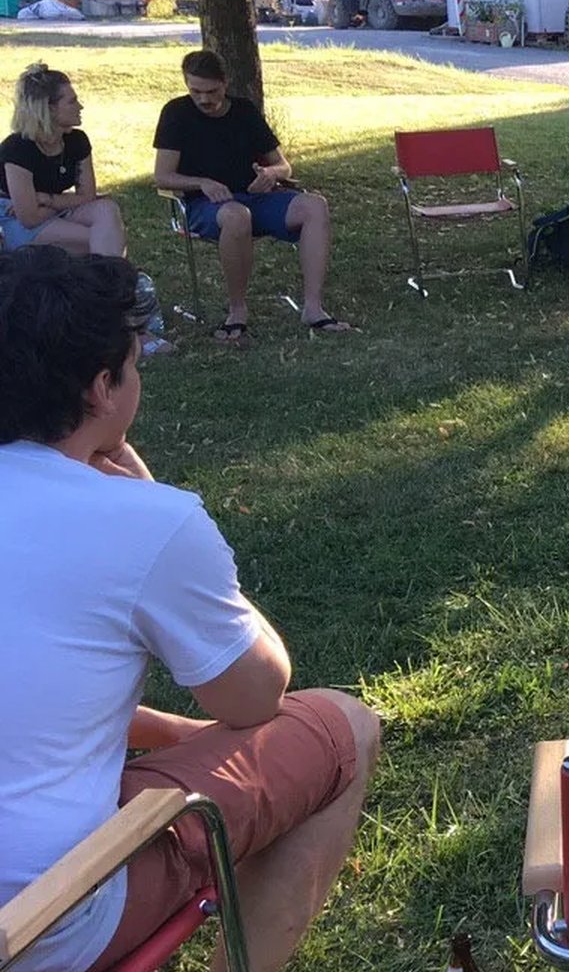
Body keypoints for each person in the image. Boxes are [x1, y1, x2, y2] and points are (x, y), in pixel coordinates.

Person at [0, 245, 382, 972]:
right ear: (101, 388)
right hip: (40, 920)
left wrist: (177, 734)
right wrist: (148, 502)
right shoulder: (141, 521)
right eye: (135, 364)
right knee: (343, 726)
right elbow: (254, 696)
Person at [152, 50, 350, 344]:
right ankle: (237, 310)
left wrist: (271, 175)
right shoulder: (176, 113)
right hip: (206, 205)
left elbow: (284, 166)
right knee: (236, 216)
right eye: (195, 91)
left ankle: (313, 307)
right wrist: (202, 183)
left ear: (225, 82)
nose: (204, 99)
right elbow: (162, 176)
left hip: (256, 197)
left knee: (315, 206)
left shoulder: (244, 111)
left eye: (212, 91)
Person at [1, 64, 125, 258]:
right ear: (49, 109)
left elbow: (88, 196)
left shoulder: (77, 140)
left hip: (52, 209)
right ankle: (112, 282)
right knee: (100, 237)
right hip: (14, 219)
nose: (80, 106)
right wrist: (61, 203)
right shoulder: (18, 148)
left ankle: (109, 281)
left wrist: (46, 200)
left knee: (106, 209)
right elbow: (29, 218)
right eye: (72, 101)